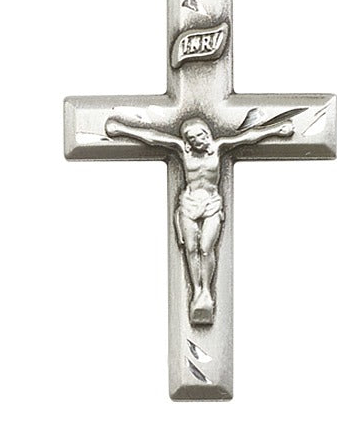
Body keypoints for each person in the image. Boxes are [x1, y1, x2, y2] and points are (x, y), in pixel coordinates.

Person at [105, 115, 294, 325]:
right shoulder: (182, 150)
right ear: (187, 141)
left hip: (212, 204)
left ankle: (207, 289)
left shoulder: (219, 147)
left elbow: (248, 137)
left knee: (206, 248)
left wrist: (275, 130)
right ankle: (197, 291)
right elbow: (153, 137)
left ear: (208, 134)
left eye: (201, 136)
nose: (198, 141)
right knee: (191, 249)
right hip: (189, 204)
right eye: (192, 138)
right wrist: (122, 129)